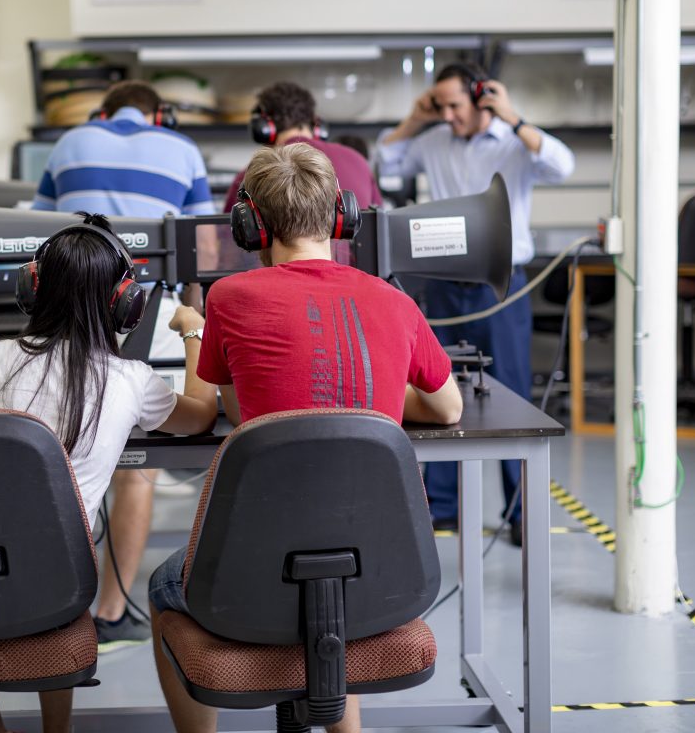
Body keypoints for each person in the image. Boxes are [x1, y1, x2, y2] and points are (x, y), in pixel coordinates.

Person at [149, 143, 462, 733]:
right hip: (382, 576)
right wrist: (378, 392)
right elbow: (448, 408)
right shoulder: (394, 302)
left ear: (250, 225)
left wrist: (193, 330)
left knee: (165, 586)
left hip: (256, 577)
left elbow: (222, 402)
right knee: (338, 559)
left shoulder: (229, 299)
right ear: (341, 217)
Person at [0, 213, 216, 733]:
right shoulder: (131, 379)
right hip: (63, 581)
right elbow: (201, 413)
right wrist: (194, 327)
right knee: (54, 600)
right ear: (125, 303)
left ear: (33, 288)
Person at [33, 80, 215, 649]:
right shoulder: (182, 150)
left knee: (57, 460)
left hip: (65, 319)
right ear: (159, 113)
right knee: (139, 463)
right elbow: (202, 247)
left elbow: (36, 235)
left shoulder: (67, 144)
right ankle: (110, 612)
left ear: (101, 113)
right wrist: (195, 319)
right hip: (150, 311)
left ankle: (57, 608)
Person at [376, 62, 575, 544]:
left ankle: (521, 513)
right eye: (440, 105)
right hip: (443, 283)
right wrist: (415, 118)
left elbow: (562, 165)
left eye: (455, 106)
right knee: (436, 390)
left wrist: (514, 118)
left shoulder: (512, 143)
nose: (448, 115)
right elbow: (384, 165)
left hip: (501, 288)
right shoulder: (432, 140)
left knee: (512, 398)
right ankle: (442, 509)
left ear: (481, 99)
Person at [223, 81, 382, 212]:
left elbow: (229, 239)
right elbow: (380, 224)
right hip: (358, 252)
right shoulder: (357, 160)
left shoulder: (253, 174)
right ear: (317, 124)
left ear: (264, 128)